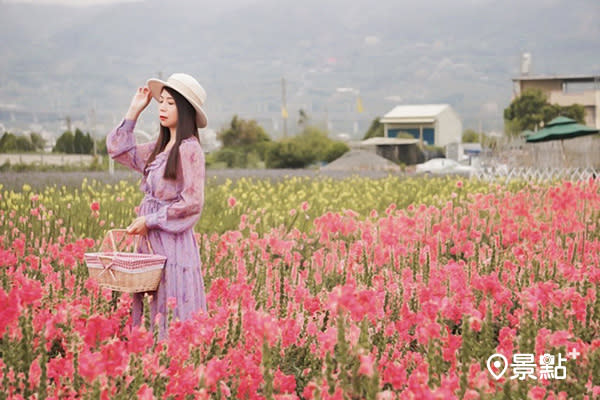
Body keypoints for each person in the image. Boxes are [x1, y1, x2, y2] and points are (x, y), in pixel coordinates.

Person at [106, 73, 208, 339]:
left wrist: (150, 220)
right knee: (151, 303)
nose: (162, 107)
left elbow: (192, 202)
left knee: (171, 303)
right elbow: (118, 151)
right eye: (161, 102)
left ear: (185, 110)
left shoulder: (190, 149)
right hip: (150, 243)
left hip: (173, 244)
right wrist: (134, 111)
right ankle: (150, 366)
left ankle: (173, 366)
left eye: (171, 103)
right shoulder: (159, 148)